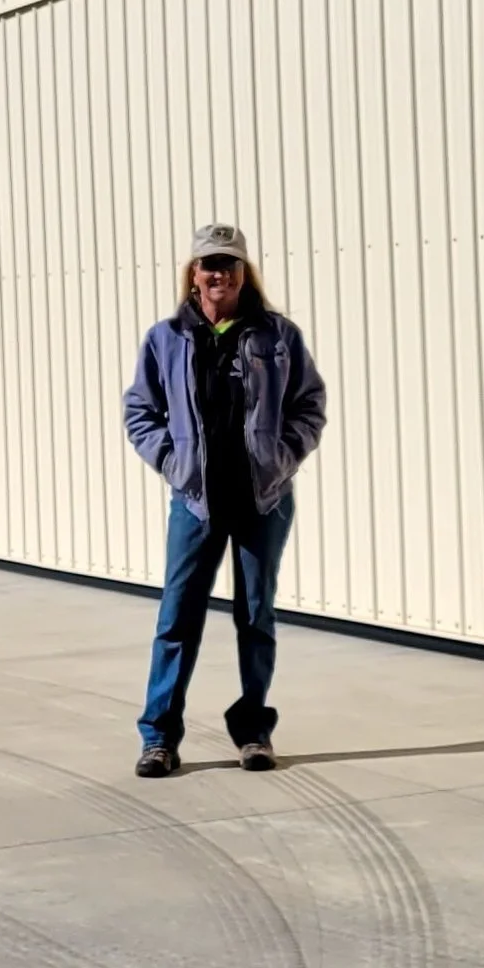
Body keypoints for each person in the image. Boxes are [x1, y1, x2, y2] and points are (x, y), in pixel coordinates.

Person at [122, 224, 327, 777]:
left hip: (263, 502)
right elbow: (140, 411)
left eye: (229, 264)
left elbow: (309, 404)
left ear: (243, 273)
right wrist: (172, 462)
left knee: (255, 616)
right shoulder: (166, 338)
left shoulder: (277, 336)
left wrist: (283, 457)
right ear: (193, 273)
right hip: (196, 503)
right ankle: (159, 737)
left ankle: (253, 730)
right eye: (209, 264)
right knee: (178, 618)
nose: (219, 274)